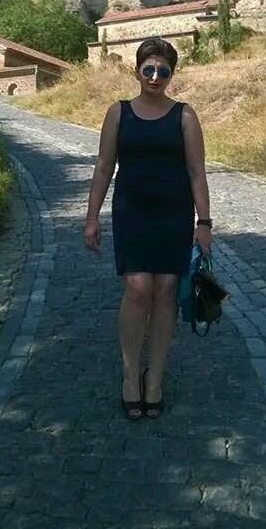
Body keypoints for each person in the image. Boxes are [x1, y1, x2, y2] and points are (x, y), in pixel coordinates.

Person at [84, 37, 212, 419]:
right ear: (137, 71)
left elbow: (197, 172)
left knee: (167, 290)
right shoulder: (118, 113)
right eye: (149, 69)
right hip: (132, 212)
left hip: (174, 213)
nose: (156, 76)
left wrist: (204, 223)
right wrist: (91, 217)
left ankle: (154, 377)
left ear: (172, 74)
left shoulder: (185, 116)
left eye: (163, 70)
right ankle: (129, 374)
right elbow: (103, 167)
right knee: (138, 288)